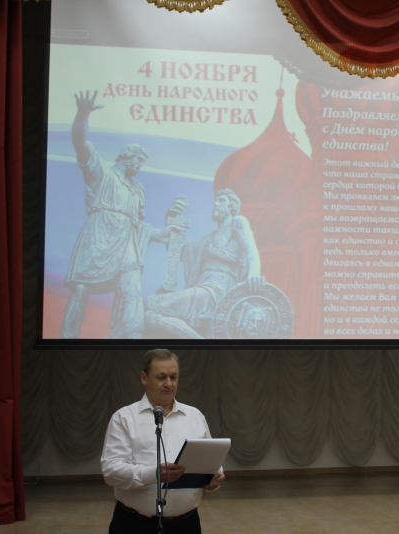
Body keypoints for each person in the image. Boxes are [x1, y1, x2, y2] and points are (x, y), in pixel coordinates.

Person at [60, 90, 188, 339]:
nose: (139, 167)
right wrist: (83, 114)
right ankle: (67, 338)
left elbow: (137, 226)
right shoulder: (102, 174)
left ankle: (134, 335)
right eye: (137, 161)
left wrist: (162, 233)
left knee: (132, 286)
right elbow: (80, 143)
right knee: (81, 290)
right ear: (126, 157)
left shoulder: (136, 189)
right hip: (98, 237)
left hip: (126, 243)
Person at [101, 349, 224, 533]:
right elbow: (111, 471)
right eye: (161, 377)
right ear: (144, 378)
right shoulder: (124, 418)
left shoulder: (194, 416)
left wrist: (214, 478)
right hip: (134, 524)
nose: (169, 384)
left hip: (186, 524)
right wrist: (154, 474)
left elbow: (210, 459)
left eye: (173, 377)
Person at [145, 189, 265, 339]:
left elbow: (251, 251)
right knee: (149, 312)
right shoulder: (209, 239)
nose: (216, 203)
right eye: (216, 200)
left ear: (232, 206)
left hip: (217, 290)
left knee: (153, 308)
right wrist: (171, 221)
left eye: (222, 200)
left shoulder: (238, 222)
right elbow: (178, 252)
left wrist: (254, 275)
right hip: (202, 287)